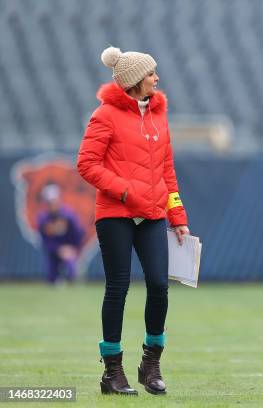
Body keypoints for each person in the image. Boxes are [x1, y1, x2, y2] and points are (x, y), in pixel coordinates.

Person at [77, 46, 190, 396]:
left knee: (159, 285)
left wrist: (178, 215)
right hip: (115, 215)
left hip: (154, 215)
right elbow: (86, 164)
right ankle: (112, 372)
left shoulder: (159, 115)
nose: (157, 78)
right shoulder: (105, 115)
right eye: (152, 73)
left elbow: (168, 172)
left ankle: (150, 365)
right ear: (135, 81)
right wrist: (126, 192)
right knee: (118, 288)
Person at [37, 184, 85, 284]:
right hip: (53, 252)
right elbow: (46, 241)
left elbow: (79, 233)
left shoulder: (69, 215)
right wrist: (59, 249)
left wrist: (73, 249)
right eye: (49, 201)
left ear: (59, 199)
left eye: (54, 200)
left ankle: (73, 277)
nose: (52, 203)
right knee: (51, 279)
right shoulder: (43, 219)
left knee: (71, 270)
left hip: (70, 249)